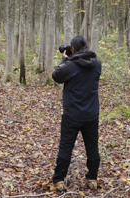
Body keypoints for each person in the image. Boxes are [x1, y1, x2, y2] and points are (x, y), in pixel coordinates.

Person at [50, 35, 101, 192]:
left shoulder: (70, 65)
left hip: (72, 114)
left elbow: (56, 76)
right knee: (92, 148)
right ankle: (92, 179)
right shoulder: (97, 63)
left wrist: (65, 60)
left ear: (72, 49)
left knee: (66, 147)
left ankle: (59, 180)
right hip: (91, 113)